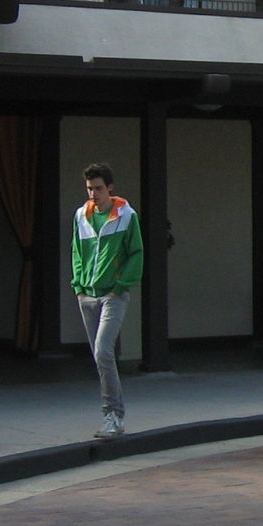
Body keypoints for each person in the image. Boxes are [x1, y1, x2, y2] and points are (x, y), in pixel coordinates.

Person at [70, 162, 144, 439]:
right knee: (99, 355)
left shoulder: (126, 215)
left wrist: (120, 286)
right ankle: (113, 415)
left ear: (110, 188)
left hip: (113, 294)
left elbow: (136, 252)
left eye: (98, 188)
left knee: (103, 351)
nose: (93, 194)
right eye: (90, 188)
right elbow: (77, 252)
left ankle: (113, 415)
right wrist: (79, 287)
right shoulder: (82, 215)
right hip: (87, 295)